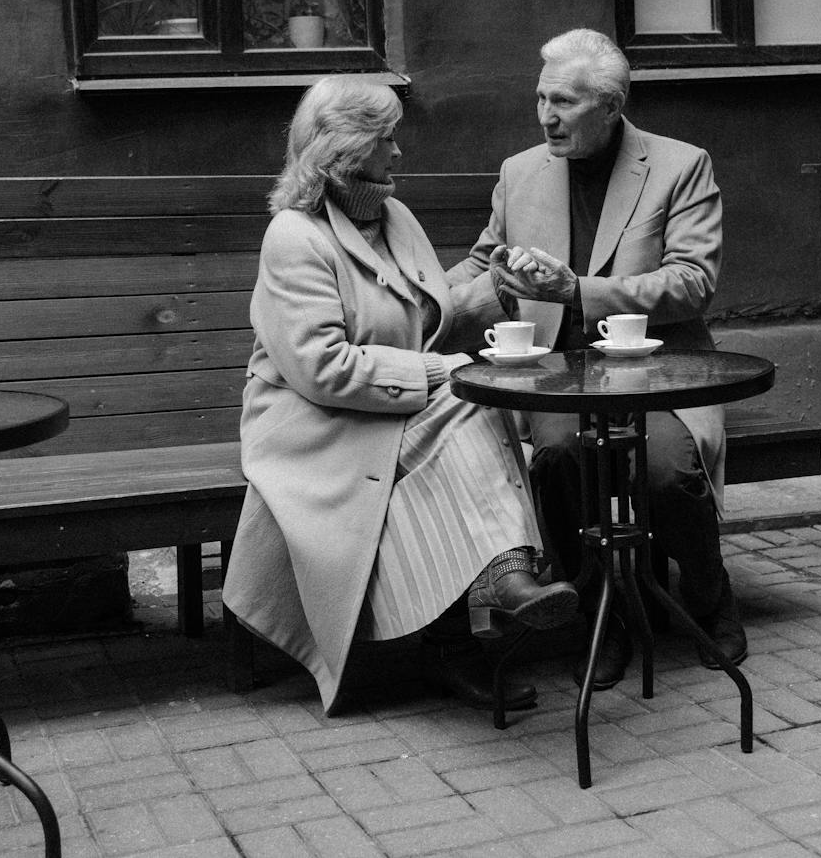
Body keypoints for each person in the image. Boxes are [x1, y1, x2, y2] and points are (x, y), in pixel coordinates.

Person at [222, 75, 578, 716]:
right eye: (386, 139)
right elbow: (320, 368)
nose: (398, 152)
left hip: (382, 405)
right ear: (345, 149)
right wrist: (437, 374)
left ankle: (492, 597)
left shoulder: (393, 215)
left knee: (473, 405)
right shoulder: (294, 237)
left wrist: (500, 287)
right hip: (314, 421)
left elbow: (424, 320)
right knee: (468, 401)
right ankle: (496, 594)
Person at [448, 28, 742, 688]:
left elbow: (693, 279)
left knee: (668, 472)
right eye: (541, 97)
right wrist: (425, 301)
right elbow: (483, 257)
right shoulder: (520, 172)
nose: (547, 115)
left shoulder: (680, 165)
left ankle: (706, 591)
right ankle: (599, 618)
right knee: (555, 457)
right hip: (555, 377)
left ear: (611, 107)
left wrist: (578, 292)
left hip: (658, 372)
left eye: (566, 102)